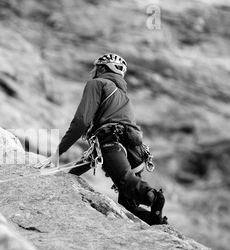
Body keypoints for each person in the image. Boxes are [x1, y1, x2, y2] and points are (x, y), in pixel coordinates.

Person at [37, 53, 167, 225]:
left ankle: (155, 198)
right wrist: (69, 176)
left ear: (103, 68)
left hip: (112, 141)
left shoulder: (97, 84)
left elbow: (81, 122)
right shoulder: (123, 96)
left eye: (96, 67)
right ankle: (155, 220)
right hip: (135, 149)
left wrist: (58, 153)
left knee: (125, 181)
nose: (92, 71)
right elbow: (96, 154)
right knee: (127, 203)